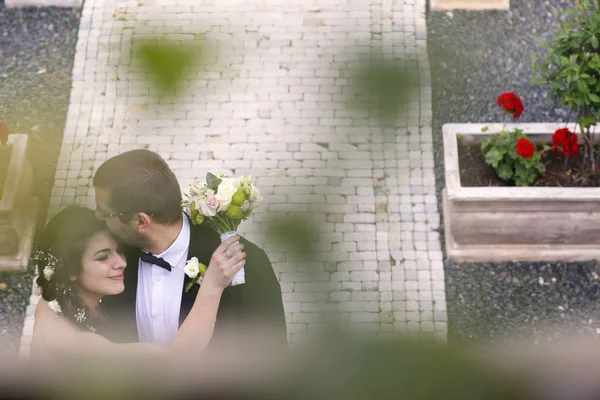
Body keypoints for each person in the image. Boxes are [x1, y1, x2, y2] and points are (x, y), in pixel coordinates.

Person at [92, 149, 288, 347]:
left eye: (104, 214)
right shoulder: (108, 263)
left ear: (141, 222)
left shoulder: (247, 264)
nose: (98, 219)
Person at [31, 206, 246, 359]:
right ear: (70, 271)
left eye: (118, 251)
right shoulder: (77, 346)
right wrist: (213, 286)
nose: (121, 263)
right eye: (103, 257)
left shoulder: (53, 297)